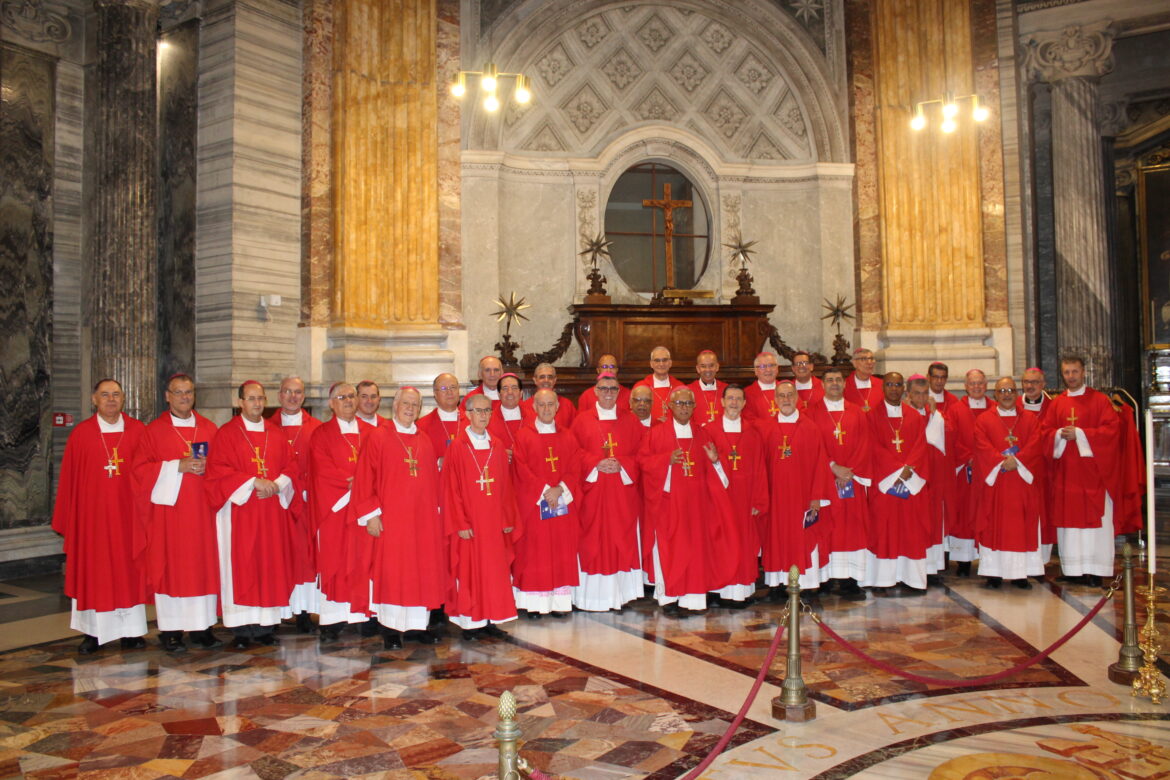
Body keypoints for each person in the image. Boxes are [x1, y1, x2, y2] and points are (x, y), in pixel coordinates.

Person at [53, 379, 148, 655]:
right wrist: (73, 520)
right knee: (95, 572)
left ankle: (131, 632)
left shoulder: (138, 431)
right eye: (105, 395)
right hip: (92, 522)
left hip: (129, 519)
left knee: (129, 571)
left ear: (124, 398)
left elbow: (149, 474)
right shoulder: (82, 435)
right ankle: (93, 633)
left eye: (116, 394)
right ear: (94, 399)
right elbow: (70, 482)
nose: (111, 400)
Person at [204, 381, 299, 649]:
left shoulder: (276, 432)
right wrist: (252, 482)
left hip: (270, 511)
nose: (257, 404)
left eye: (260, 399)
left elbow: (291, 464)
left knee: (269, 564)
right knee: (243, 564)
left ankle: (267, 626)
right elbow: (217, 470)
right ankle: (242, 629)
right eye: (251, 399)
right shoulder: (227, 434)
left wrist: (277, 485)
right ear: (240, 402)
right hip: (240, 512)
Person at [350, 386, 447, 648]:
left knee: (421, 572)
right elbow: (364, 479)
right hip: (390, 521)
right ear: (394, 405)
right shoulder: (377, 437)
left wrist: (437, 512)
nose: (410, 408)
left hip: (422, 522)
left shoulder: (425, 440)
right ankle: (390, 628)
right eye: (405, 403)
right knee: (393, 572)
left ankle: (417, 626)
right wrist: (371, 515)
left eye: (415, 405)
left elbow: (434, 482)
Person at [131, 373, 221, 653]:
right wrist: (175, 467)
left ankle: (202, 628)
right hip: (169, 516)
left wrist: (211, 468)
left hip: (202, 513)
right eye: (178, 392)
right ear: (167, 396)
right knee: (170, 568)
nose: (184, 397)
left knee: (202, 568)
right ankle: (170, 630)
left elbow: (224, 466)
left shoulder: (209, 429)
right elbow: (139, 472)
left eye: (189, 392)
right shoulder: (153, 431)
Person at [639, 387, 739, 615]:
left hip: (697, 507)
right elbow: (643, 462)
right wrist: (666, 460)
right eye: (679, 403)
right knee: (669, 551)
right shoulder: (656, 434)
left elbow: (716, 476)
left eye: (688, 404)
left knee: (695, 552)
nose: (684, 408)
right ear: (670, 406)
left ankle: (693, 600)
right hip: (668, 505)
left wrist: (715, 461)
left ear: (694, 408)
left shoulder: (703, 435)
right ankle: (669, 599)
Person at [442, 394, 521, 639]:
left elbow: (506, 487)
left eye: (487, 410)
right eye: (478, 411)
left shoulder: (497, 445)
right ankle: (470, 624)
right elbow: (450, 488)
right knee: (470, 571)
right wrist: (460, 522)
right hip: (470, 522)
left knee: (494, 572)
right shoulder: (457, 446)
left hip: (494, 522)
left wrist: (508, 518)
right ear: (467, 414)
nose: (483, 415)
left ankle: (491, 619)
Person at [1042, 356, 1121, 587]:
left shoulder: (1099, 400)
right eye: (1066, 372)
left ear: (1084, 372)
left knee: (1095, 524)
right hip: (1066, 473)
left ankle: (1096, 570)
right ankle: (1073, 569)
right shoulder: (1057, 404)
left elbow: (1111, 431)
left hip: (1093, 474)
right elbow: (1045, 432)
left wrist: (1081, 434)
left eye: (1075, 372)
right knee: (1069, 523)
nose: (1071, 377)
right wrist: (1058, 435)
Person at [570, 373, 646, 611]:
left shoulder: (631, 420)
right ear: (595, 391)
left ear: (619, 392)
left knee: (621, 538)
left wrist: (622, 462)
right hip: (594, 493)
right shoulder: (582, 421)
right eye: (604, 388)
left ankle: (621, 595)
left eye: (613, 389)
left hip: (622, 495)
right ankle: (591, 598)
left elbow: (641, 454)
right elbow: (573, 453)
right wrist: (596, 462)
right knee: (593, 539)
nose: (608, 393)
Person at [308, 383, 372, 643]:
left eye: (351, 396)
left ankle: (365, 616)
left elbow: (380, 466)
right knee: (336, 559)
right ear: (331, 403)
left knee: (364, 561)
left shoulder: (371, 432)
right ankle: (333, 619)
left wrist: (363, 485)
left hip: (365, 510)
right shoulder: (321, 434)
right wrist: (355, 483)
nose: (348, 401)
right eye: (341, 397)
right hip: (335, 510)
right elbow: (320, 469)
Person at [512, 388, 583, 618]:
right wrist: (545, 491)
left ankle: (560, 603)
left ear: (558, 407)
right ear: (533, 407)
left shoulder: (568, 435)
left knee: (561, 549)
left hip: (561, 502)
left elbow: (575, 466)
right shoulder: (523, 436)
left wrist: (559, 489)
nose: (546, 409)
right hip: (535, 506)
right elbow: (520, 469)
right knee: (535, 552)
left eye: (550, 404)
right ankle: (535, 604)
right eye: (541, 405)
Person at [760, 382, 834, 599]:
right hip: (776, 498)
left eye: (790, 395)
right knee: (776, 537)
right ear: (775, 399)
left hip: (803, 497)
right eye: (781, 395)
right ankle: (777, 583)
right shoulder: (766, 428)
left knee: (803, 536)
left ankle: (806, 583)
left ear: (797, 398)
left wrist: (817, 497)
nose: (785, 399)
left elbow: (820, 464)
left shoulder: (810, 428)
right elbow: (759, 465)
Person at [862, 372, 931, 595]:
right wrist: (897, 470)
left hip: (910, 482)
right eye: (889, 384)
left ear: (904, 389)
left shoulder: (914, 416)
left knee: (911, 529)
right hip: (885, 484)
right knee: (884, 530)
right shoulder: (872, 416)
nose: (893, 388)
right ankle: (883, 580)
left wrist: (909, 468)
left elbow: (921, 445)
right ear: (883, 388)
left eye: (897, 385)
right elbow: (872, 447)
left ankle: (913, 579)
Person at [973, 377, 1045, 589]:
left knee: (1021, 526)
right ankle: (993, 573)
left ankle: (1020, 574)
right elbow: (981, 445)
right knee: (994, 524)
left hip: (1021, 483)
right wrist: (1001, 462)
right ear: (995, 394)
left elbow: (1036, 443)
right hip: (997, 482)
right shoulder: (985, 419)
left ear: (1016, 393)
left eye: (1010, 390)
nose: (1006, 394)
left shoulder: (1030, 419)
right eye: (1002, 390)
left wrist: (1018, 461)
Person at [807, 367, 871, 600]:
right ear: (822, 385)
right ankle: (824, 579)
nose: (834, 383)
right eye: (829, 380)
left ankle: (850, 580)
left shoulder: (857, 412)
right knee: (828, 526)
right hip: (824, 480)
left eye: (838, 380)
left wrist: (849, 471)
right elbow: (812, 446)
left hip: (851, 480)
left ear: (845, 384)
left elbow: (865, 444)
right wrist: (833, 467)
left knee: (852, 527)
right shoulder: (812, 413)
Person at [704, 385, 768, 606]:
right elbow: (704, 468)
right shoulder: (709, 430)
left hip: (745, 498)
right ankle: (717, 590)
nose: (733, 402)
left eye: (738, 399)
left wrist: (759, 500)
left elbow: (760, 466)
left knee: (743, 542)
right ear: (721, 402)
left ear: (744, 403)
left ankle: (739, 592)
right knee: (719, 541)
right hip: (718, 498)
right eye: (729, 398)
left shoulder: (752, 432)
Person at [267, 375, 321, 633]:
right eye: (288, 392)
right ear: (279, 395)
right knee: (279, 554)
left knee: (305, 557)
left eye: (298, 392)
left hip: (307, 501)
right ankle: (278, 609)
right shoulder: (266, 427)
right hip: (277, 501)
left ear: (304, 396)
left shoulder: (317, 428)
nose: (293, 397)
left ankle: (303, 612)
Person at [926, 361, 977, 577]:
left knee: (946, 513)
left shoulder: (955, 404)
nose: (939, 381)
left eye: (942, 378)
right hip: (926, 466)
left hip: (948, 469)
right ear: (929, 378)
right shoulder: (918, 398)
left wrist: (962, 460)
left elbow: (959, 436)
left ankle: (943, 560)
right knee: (929, 514)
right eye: (935, 377)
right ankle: (928, 563)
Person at [906, 375, 953, 585]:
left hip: (934, 476)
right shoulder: (902, 415)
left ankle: (931, 567)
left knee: (933, 519)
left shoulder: (935, 415)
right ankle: (913, 568)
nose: (921, 397)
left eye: (925, 394)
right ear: (908, 395)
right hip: (912, 477)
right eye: (917, 393)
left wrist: (935, 414)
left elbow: (949, 436)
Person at [417, 373, 467, 467]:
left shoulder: (472, 422)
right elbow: (417, 460)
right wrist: (438, 462)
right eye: (444, 388)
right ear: (435, 394)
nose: (449, 392)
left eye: (453, 387)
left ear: (458, 391)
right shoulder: (422, 426)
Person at [634, 346, 685, 424]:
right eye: (657, 360)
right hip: (648, 432)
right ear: (651, 364)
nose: (661, 364)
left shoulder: (680, 388)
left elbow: (685, 414)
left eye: (664, 360)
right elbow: (634, 415)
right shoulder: (640, 388)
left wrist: (671, 422)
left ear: (670, 363)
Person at [487, 373, 529, 461]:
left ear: (521, 393)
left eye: (514, 388)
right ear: (499, 394)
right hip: (501, 469)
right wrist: (499, 453)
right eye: (505, 388)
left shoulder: (533, 418)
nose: (510, 392)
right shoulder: (487, 420)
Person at [521, 363, 576, 428]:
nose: (546, 380)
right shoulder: (524, 407)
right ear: (535, 380)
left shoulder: (567, 405)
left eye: (550, 377)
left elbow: (574, 432)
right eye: (542, 377)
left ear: (555, 380)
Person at [688, 350, 727, 426]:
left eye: (711, 365)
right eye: (703, 366)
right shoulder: (688, 391)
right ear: (698, 369)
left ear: (717, 367)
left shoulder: (727, 390)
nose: (707, 370)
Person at [743, 352, 780, 422]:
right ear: (756, 371)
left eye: (771, 365)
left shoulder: (788, 389)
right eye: (763, 366)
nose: (768, 370)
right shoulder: (747, 393)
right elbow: (749, 419)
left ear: (777, 368)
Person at [844, 348, 883, 412]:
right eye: (864, 359)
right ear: (854, 363)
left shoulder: (881, 384)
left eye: (871, 359)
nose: (869, 362)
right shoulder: (844, 386)